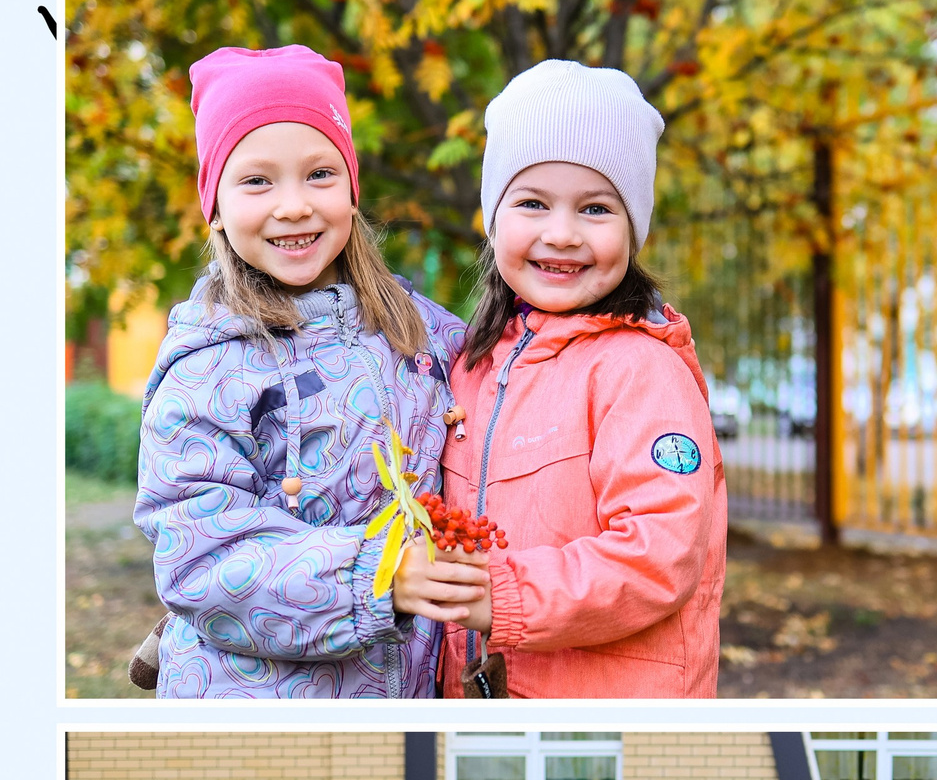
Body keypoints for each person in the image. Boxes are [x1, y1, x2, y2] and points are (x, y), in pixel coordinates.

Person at [134, 44, 479, 697]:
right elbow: (203, 554)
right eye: (257, 181)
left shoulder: (426, 336)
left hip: (400, 703)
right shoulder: (210, 363)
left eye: (319, 174)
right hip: (254, 710)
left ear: (352, 186)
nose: (293, 205)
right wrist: (379, 576)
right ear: (215, 203)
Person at [437, 59, 726, 697]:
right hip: (487, 703)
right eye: (533, 203)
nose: (561, 234)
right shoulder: (470, 365)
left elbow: (659, 552)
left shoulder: (641, 371)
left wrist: (506, 594)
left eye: (595, 208)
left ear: (633, 227)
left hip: (612, 721)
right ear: (493, 219)